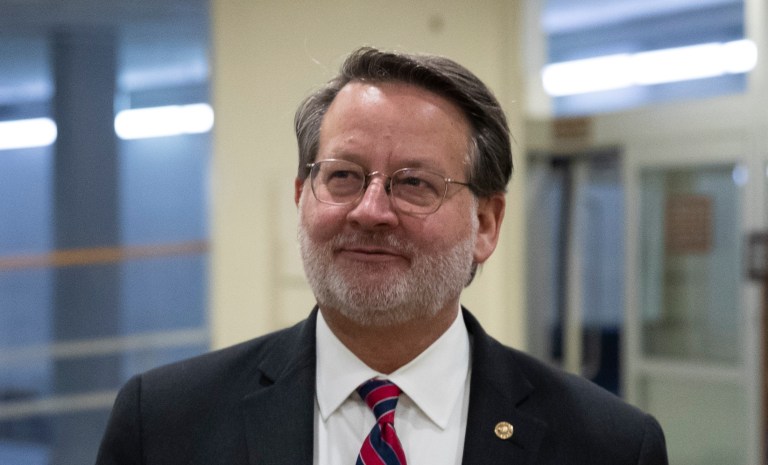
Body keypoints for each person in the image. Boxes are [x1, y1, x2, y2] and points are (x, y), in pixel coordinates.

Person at [96, 46, 668, 465]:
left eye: (414, 183)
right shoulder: (164, 424)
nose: (370, 211)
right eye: (343, 176)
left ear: (486, 224)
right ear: (302, 198)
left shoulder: (609, 446)